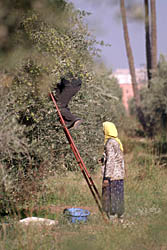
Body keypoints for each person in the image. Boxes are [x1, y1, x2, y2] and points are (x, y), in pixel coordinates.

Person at [100, 121, 125, 222]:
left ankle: (112, 217)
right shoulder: (116, 141)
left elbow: (111, 161)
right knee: (119, 196)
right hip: (119, 175)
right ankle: (121, 217)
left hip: (112, 176)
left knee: (111, 196)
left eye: (103, 128)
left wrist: (106, 177)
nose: (102, 130)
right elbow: (115, 158)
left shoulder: (110, 143)